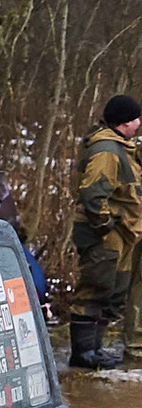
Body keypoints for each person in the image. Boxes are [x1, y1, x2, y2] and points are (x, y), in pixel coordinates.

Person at [65, 93, 142, 370]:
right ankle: (83, 352)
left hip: (122, 233)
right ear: (123, 123)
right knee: (94, 290)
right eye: (135, 119)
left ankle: (95, 349)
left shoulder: (123, 147)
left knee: (112, 292)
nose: (138, 124)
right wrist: (105, 225)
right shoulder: (107, 150)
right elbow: (93, 194)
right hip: (106, 234)